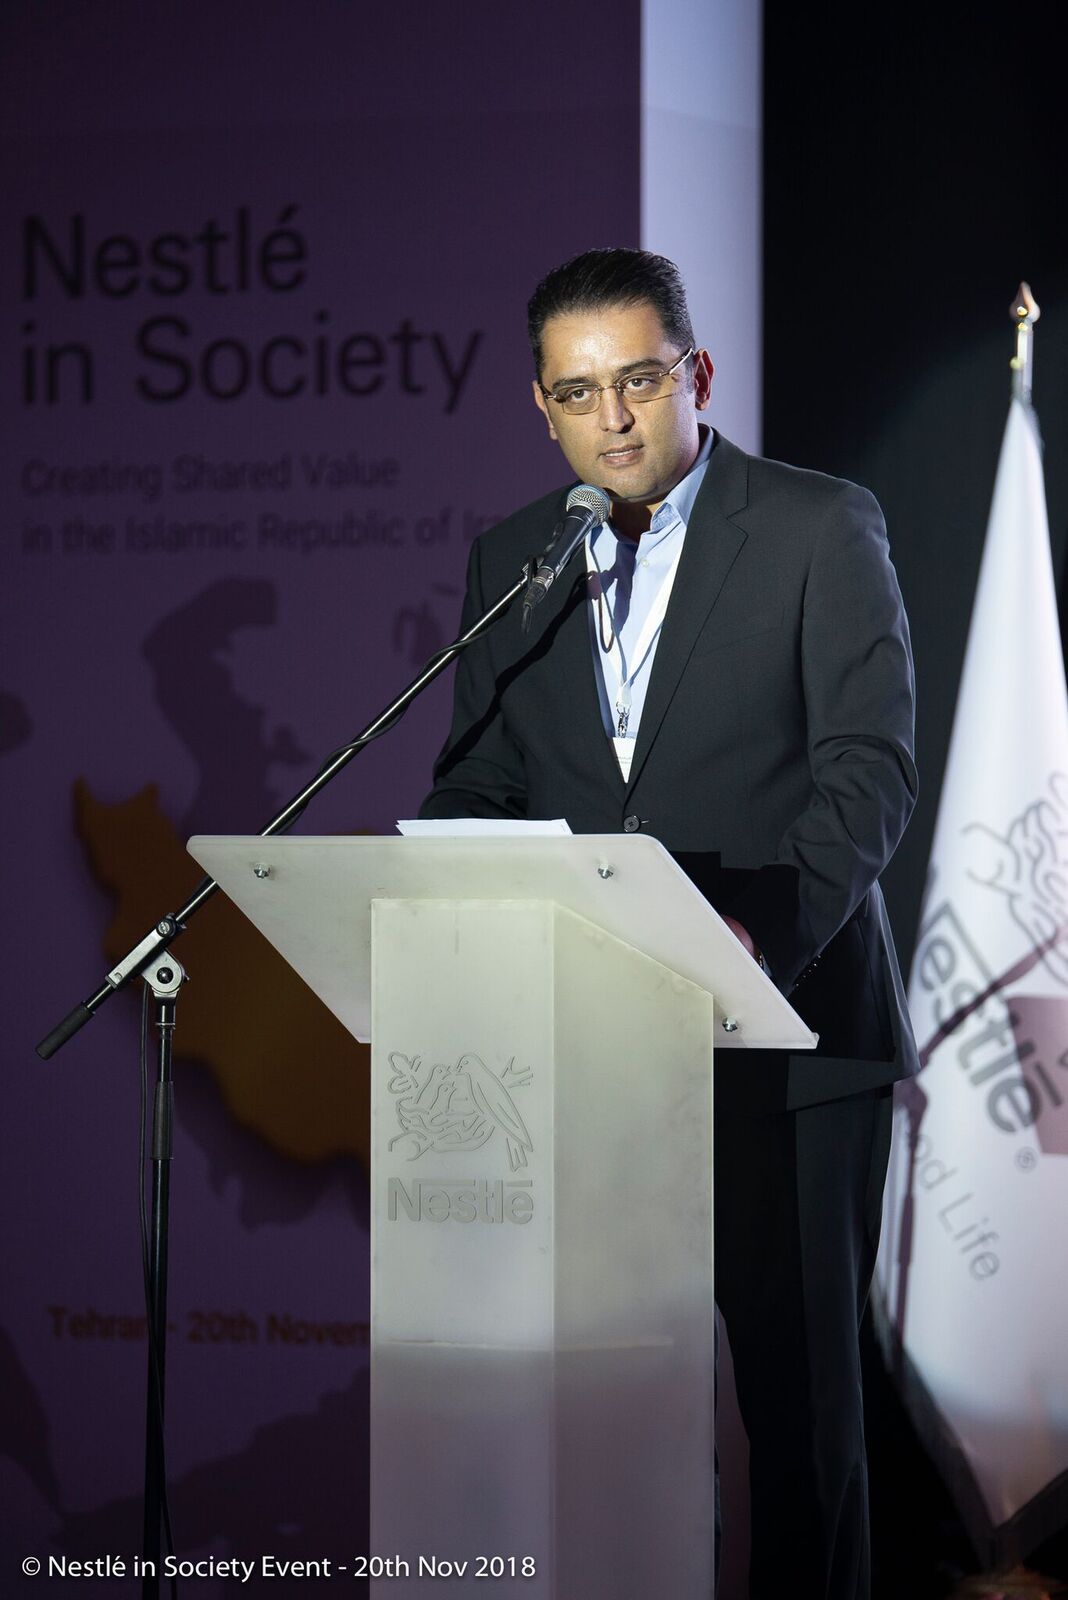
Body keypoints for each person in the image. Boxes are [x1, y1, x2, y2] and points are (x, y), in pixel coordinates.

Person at [420, 247, 918, 1600]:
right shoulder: (515, 558)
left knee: (801, 1423)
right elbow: (479, 775)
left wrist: (755, 941)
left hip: (788, 1042)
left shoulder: (819, 525)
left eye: (639, 381)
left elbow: (869, 772)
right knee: (613, 1420)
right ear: (542, 407)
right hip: (594, 1047)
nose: (617, 420)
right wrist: (449, 877)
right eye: (579, 394)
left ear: (695, 374)